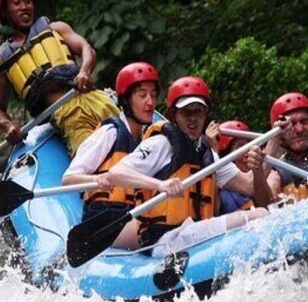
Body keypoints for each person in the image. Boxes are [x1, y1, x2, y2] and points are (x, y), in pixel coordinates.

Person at [107, 77, 270, 255]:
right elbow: (115, 173)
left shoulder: (207, 155)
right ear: (173, 116)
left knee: (261, 214)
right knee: (259, 216)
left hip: (193, 236)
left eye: (198, 112)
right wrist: (159, 185)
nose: (193, 119)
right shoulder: (161, 144)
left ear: (205, 115)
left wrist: (269, 151)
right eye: (186, 112)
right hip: (165, 241)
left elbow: (249, 185)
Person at [0, 0, 119, 155]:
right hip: (66, 115)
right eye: (17, 3)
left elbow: (86, 49)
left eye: (28, 1)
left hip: (94, 99)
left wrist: (84, 72)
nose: (24, 7)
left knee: (128, 136)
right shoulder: (2, 59)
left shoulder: (56, 28)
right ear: (4, 11)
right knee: (95, 156)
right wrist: (8, 126)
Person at [62, 62, 159, 248]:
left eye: (153, 95)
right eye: (142, 95)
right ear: (126, 100)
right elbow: (68, 179)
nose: (150, 102)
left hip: (132, 215)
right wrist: (98, 179)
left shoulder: (149, 139)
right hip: (103, 222)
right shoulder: (110, 132)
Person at [207, 119, 257, 214]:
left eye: (248, 145)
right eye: (240, 146)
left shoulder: (266, 176)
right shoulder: (221, 193)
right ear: (227, 155)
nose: (247, 152)